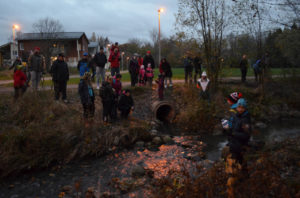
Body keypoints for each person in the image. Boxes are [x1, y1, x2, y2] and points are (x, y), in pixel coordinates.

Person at [223, 98, 251, 197]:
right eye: (239, 107)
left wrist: (234, 133)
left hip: (240, 145)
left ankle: (231, 190)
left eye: (242, 107)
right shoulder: (236, 116)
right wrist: (227, 129)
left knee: (234, 166)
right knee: (241, 164)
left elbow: (246, 136)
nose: (240, 109)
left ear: (245, 108)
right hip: (233, 143)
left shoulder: (245, 120)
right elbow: (232, 129)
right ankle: (244, 181)